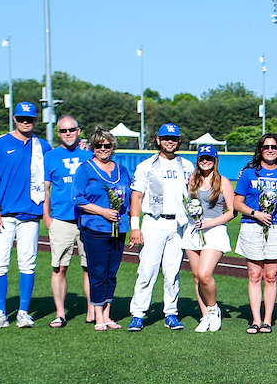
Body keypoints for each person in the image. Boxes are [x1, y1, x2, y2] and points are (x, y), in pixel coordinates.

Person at [0, 101, 53, 329]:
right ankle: (1, 312)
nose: (26, 122)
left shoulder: (42, 146)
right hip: (3, 213)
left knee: (28, 263)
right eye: (22, 118)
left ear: (35, 120)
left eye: (30, 118)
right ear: (14, 119)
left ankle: (23, 311)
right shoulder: (0, 143)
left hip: (30, 213)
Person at [127, 123, 194, 331]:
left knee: (173, 272)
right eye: (166, 138)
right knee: (147, 270)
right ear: (158, 140)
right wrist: (135, 227)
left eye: (173, 138)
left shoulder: (187, 166)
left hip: (178, 223)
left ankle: (171, 313)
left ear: (179, 141)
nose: (170, 141)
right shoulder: (146, 166)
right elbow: (136, 196)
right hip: (153, 221)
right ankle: (138, 313)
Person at [72, 126, 131, 331]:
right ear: (92, 147)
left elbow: (130, 198)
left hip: (119, 227)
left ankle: (107, 313)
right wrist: (102, 211)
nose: (103, 149)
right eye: (98, 146)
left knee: (112, 272)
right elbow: (78, 198)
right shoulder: (85, 168)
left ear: (112, 146)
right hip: (95, 227)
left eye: (107, 145)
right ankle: (98, 315)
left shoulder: (122, 170)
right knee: (97, 271)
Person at [42, 115, 94, 327]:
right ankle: (61, 313)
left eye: (71, 129)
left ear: (79, 130)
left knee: (89, 266)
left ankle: (92, 310)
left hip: (87, 218)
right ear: (58, 133)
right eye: (63, 131)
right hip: (61, 218)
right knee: (59, 267)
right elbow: (45, 188)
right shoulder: (50, 156)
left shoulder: (89, 153)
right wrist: (47, 218)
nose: (68, 134)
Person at [235, 134, 277, 333]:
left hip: (276, 226)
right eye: (266, 147)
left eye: (274, 146)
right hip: (251, 225)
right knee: (254, 274)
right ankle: (255, 319)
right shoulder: (249, 173)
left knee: (271, 275)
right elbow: (237, 203)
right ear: (260, 150)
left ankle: (268, 319)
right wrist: (255, 213)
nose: (270, 149)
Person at [183, 145, 236, 332]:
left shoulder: (223, 182)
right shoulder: (192, 180)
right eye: (202, 158)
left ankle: (213, 309)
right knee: (197, 277)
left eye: (209, 158)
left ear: (215, 160)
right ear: (197, 160)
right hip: (192, 231)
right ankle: (204, 315)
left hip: (214, 231)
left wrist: (209, 223)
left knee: (205, 274)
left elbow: (231, 212)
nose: (205, 161)